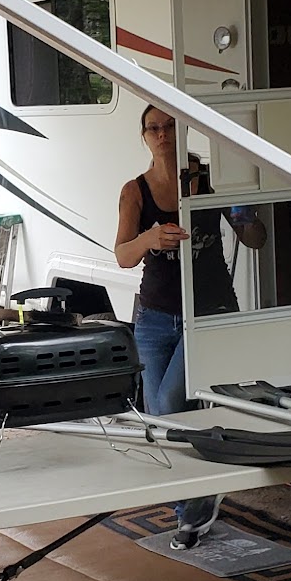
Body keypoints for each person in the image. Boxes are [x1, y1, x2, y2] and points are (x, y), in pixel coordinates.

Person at [114, 104, 267, 541]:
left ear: (183, 132)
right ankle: (190, 506)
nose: (163, 135)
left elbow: (254, 239)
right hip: (155, 317)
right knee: (162, 417)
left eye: (170, 126)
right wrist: (148, 238)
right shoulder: (136, 191)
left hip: (210, 312)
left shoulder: (205, 181)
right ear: (144, 136)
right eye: (153, 128)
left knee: (167, 404)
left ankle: (195, 506)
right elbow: (123, 255)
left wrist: (241, 209)